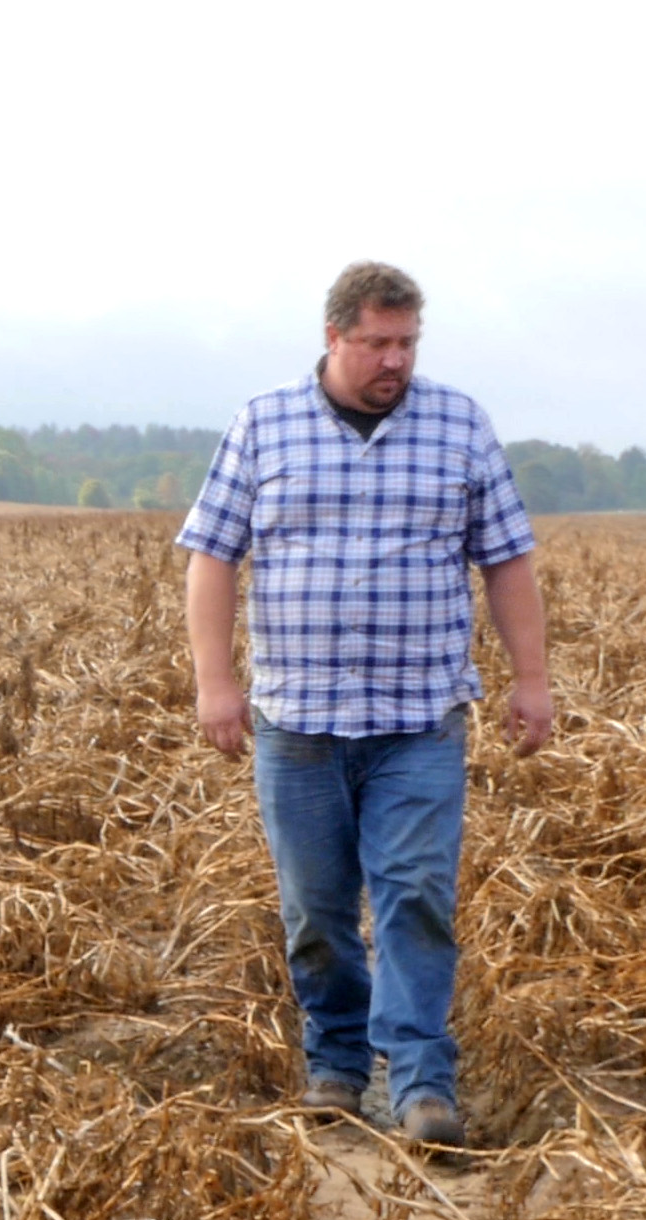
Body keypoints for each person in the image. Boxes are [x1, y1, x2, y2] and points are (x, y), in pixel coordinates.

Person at [175, 261, 552, 1148]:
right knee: (316, 909)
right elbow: (211, 556)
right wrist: (214, 681)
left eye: (407, 342)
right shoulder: (263, 424)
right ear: (334, 337)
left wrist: (532, 679)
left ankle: (422, 1083)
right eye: (378, 342)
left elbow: (506, 560)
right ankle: (337, 1062)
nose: (395, 360)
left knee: (416, 895)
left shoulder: (458, 424)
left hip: (418, 719)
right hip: (297, 721)